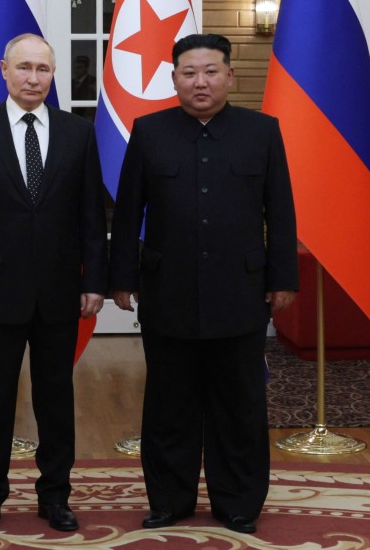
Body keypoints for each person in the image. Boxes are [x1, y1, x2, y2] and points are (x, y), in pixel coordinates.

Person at [109, 33, 298, 535]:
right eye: (189, 72)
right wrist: (121, 277)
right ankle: (169, 500)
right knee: (170, 404)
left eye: (211, 71)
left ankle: (238, 501)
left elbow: (280, 212)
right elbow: (128, 212)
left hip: (241, 292)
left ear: (230, 76)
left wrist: (282, 277)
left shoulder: (262, 132)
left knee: (238, 404)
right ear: (173, 79)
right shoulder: (149, 132)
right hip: (166, 292)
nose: (200, 82)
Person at [0, 33, 108, 536]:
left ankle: (55, 496)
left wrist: (94, 281)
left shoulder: (78, 134)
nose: (34, 78)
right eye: (24, 68)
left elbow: (90, 217)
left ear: (52, 75)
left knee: (56, 400)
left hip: (61, 291)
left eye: (43, 69)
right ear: (4, 71)